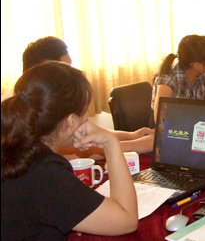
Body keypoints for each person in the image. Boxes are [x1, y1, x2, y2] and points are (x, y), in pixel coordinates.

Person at [1, 61, 138, 241]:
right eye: (85, 112)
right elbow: (127, 219)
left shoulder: (13, 149)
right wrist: (110, 144)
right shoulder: (44, 173)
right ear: (72, 121)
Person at [2, 36, 155, 154]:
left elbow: (85, 132)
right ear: (45, 71)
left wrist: (131, 136)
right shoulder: (19, 109)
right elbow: (75, 151)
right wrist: (137, 145)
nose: (69, 74)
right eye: (65, 68)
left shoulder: (47, 98)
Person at [152, 35, 205, 124]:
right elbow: (160, 118)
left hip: (196, 124)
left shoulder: (204, 73)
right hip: (172, 128)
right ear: (197, 65)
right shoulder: (168, 80)